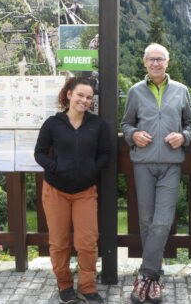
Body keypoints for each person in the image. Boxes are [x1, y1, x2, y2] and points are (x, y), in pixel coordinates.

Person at [121, 43, 191, 304]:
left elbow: (189, 124)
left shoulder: (181, 91)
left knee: (162, 222)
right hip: (143, 164)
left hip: (171, 165)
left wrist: (183, 137)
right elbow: (126, 123)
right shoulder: (135, 91)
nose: (155, 63)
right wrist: (133, 135)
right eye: (150, 59)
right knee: (146, 221)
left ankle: (145, 276)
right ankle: (154, 280)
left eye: (159, 59)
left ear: (168, 61)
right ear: (144, 62)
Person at [34, 77, 110, 304]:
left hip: (85, 191)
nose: (84, 100)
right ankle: (65, 285)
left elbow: (105, 154)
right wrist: (55, 168)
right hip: (55, 190)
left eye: (88, 97)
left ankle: (87, 287)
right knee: (59, 242)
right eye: (80, 95)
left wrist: (91, 171)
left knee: (87, 242)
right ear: (69, 94)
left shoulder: (97, 124)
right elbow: (39, 153)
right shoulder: (53, 123)